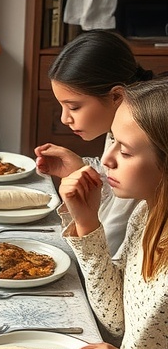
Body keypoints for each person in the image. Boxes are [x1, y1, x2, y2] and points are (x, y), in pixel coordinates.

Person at [57, 78, 168, 349]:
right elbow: (119, 319)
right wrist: (86, 222)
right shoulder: (149, 210)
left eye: (124, 151)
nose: (105, 160)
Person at [34, 30, 155, 255]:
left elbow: (111, 241)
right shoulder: (119, 132)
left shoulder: (144, 147)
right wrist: (81, 169)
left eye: (74, 107)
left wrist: (84, 218)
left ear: (116, 97)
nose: (64, 118)